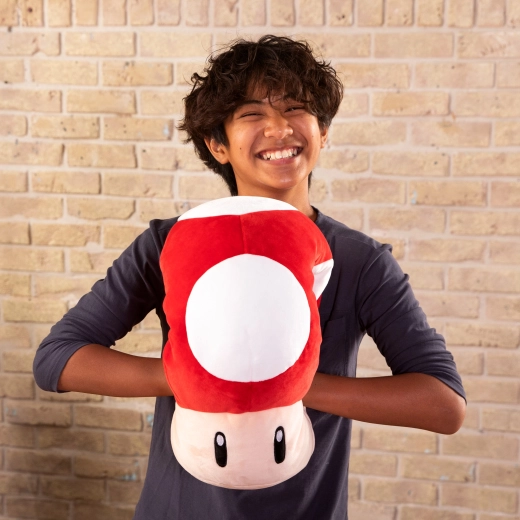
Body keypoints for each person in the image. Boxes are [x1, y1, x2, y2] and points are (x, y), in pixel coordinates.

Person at [34, 35, 466, 519]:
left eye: (296, 108)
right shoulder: (169, 243)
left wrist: (287, 382)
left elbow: (444, 403)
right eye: (252, 114)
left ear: (323, 132)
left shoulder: (358, 260)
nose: (279, 127)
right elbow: (57, 359)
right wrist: (195, 377)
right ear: (217, 145)